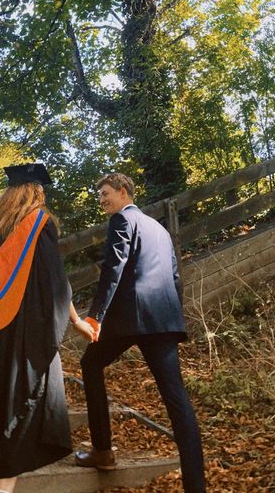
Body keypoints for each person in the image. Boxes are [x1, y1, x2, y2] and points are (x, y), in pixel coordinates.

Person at [0, 163, 94, 493]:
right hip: (17, 335)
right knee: (21, 401)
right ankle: (3, 489)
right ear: (37, 192)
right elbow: (56, 283)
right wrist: (76, 320)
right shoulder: (39, 226)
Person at [75, 173, 206, 493]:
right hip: (162, 320)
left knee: (90, 365)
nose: (102, 200)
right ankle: (196, 488)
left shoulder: (122, 220)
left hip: (130, 319)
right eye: (100, 195)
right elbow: (175, 277)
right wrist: (175, 320)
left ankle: (103, 451)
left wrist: (95, 318)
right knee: (178, 403)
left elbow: (114, 267)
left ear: (123, 192)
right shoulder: (159, 229)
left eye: (105, 193)